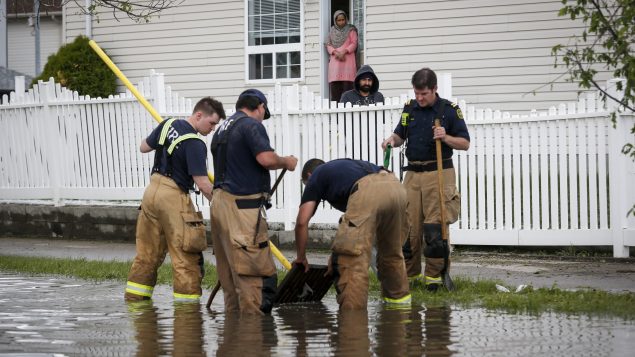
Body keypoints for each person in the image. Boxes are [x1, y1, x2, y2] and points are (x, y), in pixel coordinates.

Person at [125, 97, 226, 302]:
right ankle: (188, 315)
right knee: (186, 257)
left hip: (151, 193)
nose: (213, 129)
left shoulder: (167, 124)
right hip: (173, 197)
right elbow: (202, 183)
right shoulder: (196, 143)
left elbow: (144, 147)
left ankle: (136, 305)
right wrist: (223, 205)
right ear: (199, 115)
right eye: (212, 123)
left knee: (147, 255)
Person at [381, 68, 470, 291]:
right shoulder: (409, 109)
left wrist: (446, 137)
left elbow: (465, 143)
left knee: (434, 228)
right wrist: (391, 140)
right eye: (417, 93)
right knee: (408, 228)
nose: (419, 98)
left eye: (424, 94)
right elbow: (400, 135)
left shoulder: (449, 110)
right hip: (412, 174)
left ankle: (434, 279)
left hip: (438, 173)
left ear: (434, 89)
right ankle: (409, 277)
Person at [210, 88, 298, 314]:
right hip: (242, 208)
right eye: (263, 111)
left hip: (219, 203)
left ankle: (233, 337)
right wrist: (286, 161)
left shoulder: (222, 128)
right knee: (251, 275)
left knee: (230, 277)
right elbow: (266, 159)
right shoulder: (251, 125)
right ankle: (252, 337)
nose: (262, 116)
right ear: (259, 106)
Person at [294, 158, 411, 310]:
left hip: (368, 190)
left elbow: (302, 222)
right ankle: (400, 310)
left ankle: (353, 320)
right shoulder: (345, 168)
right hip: (396, 187)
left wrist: (301, 257)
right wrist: (335, 254)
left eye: (305, 184)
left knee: (350, 261)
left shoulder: (316, 176)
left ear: (309, 176)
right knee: (391, 253)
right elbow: (355, 227)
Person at [326, 10, 358, 102]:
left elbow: (354, 43)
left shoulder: (351, 30)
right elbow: (328, 44)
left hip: (347, 63)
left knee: (348, 89)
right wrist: (336, 53)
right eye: (339, 20)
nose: (341, 22)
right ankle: (336, 113)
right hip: (335, 65)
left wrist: (344, 52)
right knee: (335, 91)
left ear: (346, 19)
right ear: (335, 21)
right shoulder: (332, 31)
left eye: (343, 19)